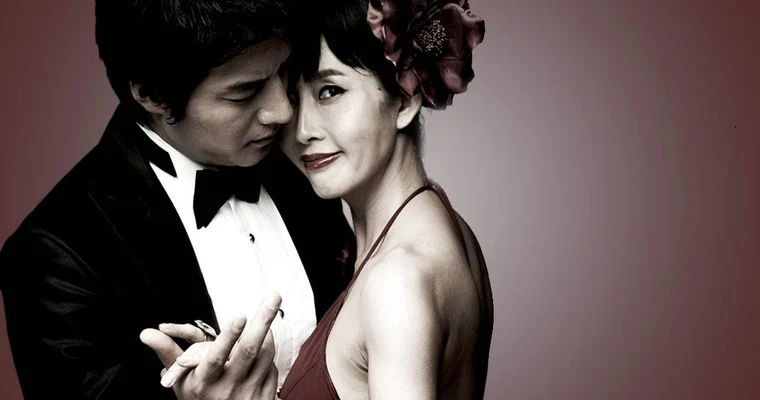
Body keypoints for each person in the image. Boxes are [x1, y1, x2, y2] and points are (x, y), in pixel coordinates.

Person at [0, 1, 354, 399]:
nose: (283, 111)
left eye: (284, 72)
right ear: (151, 95)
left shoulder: (306, 156)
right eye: (245, 93)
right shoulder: (56, 254)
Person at [162, 0, 494, 398]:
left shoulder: (395, 281)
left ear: (405, 101)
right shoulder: (440, 223)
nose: (302, 129)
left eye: (330, 92)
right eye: (293, 97)